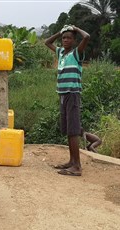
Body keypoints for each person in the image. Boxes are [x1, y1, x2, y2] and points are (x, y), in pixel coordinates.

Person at [45, 25, 90, 176]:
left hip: (72, 93)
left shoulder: (76, 53)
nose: (65, 40)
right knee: (68, 129)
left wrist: (76, 28)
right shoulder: (61, 53)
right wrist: (60, 31)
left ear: (74, 40)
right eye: (64, 38)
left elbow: (87, 37)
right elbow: (47, 42)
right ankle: (71, 161)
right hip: (63, 94)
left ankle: (77, 166)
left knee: (73, 130)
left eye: (69, 37)